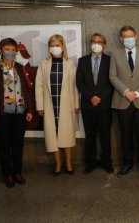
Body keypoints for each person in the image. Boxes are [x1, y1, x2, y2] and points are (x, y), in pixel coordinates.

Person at [0, 38, 35, 187]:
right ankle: (7, 174)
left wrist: (30, 109)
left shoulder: (20, 68)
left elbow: (27, 90)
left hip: (19, 113)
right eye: (7, 49)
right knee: (3, 145)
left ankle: (17, 172)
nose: (10, 52)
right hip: (1, 114)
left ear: (16, 52)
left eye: (13, 49)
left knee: (18, 144)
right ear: (1, 50)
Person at [109, 26, 139, 177]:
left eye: (131, 36)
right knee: (125, 134)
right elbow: (112, 76)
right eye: (125, 36)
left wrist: (138, 93)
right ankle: (127, 164)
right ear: (121, 39)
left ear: (136, 36)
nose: (128, 39)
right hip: (123, 100)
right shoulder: (115, 54)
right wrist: (126, 92)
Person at [35, 34, 79, 176]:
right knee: (52, 135)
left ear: (63, 46)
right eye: (52, 45)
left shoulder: (70, 64)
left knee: (66, 134)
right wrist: (40, 105)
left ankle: (69, 163)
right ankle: (58, 163)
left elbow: (74, 86)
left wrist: (76, 103)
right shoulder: (44, 64)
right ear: (49, 48)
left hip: (66, 104)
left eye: (58, 45)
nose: (55, 48)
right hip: (50, 104)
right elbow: (39, 86)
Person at [76, 33, 114, 174]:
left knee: (105, 134)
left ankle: (106, 161)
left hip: (105, 105)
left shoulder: (110, 61)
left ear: (104, 44)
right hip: (88, 104)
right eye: (93, 41)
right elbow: (79, 82)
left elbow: (112, 82)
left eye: (99, 42)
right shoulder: (83, 61)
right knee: (90, 135)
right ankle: (91, 161)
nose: (96, 44)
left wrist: (100, 98)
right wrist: (91, 96)